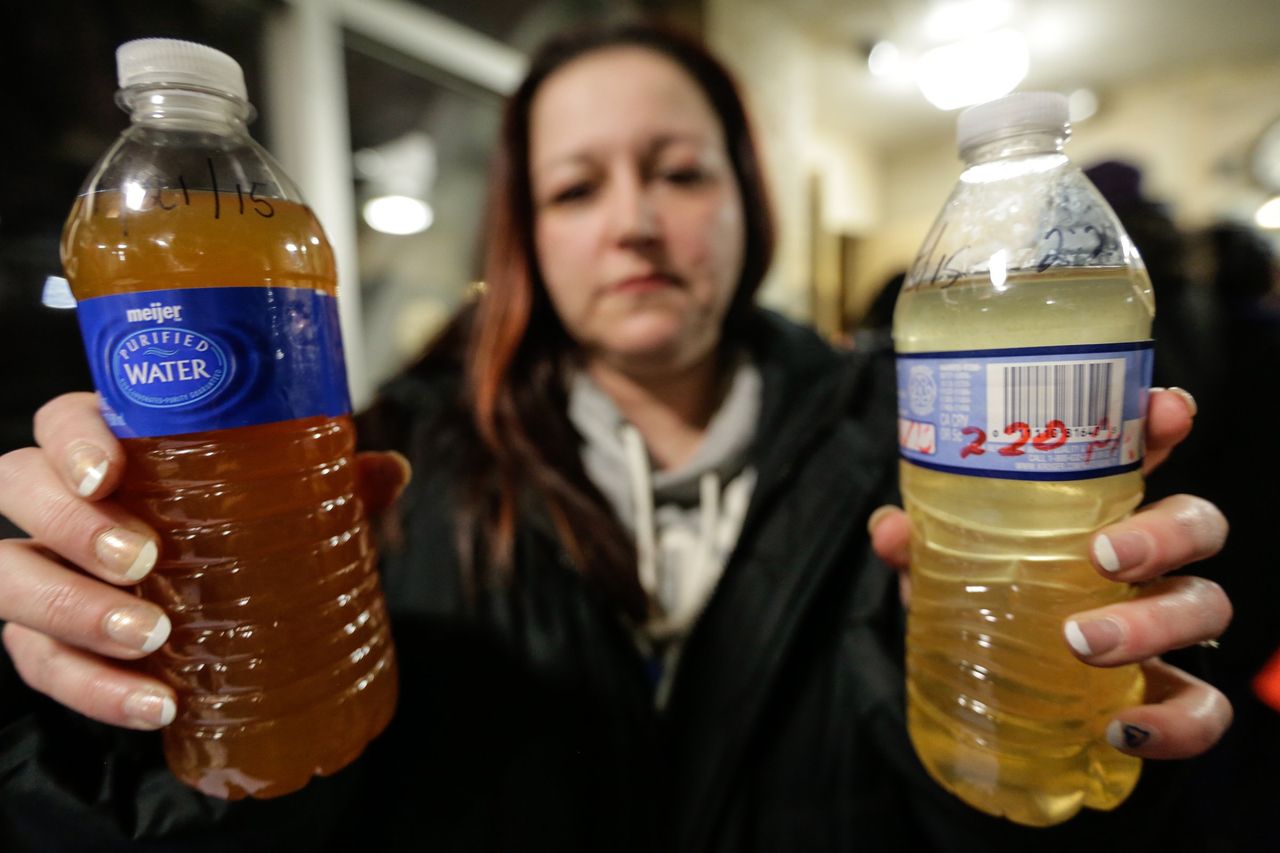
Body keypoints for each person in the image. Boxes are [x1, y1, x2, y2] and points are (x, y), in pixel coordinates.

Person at [0, 21, 1233, 852]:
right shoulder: (387, 469)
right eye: (575, 187)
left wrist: (1120, 724)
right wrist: (108, 720)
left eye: (679, 172)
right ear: (522, 235)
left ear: (747, 205)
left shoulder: (928, 436)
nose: (634, 223)